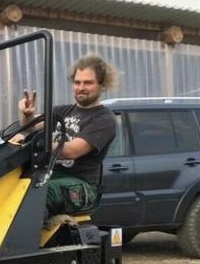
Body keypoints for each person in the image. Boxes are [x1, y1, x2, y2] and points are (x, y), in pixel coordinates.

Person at [9, 54, 118, 215]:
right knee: (8, 187)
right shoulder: (62, 111)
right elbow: (32, 127)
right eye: (77, 82)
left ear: (102, 85)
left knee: (37, 195)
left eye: (88, 83)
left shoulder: (104, 119)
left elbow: (72, 151)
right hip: (50, 175)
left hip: (80, 184)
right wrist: (27, 115)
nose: (81, 87)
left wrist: (32, 143)